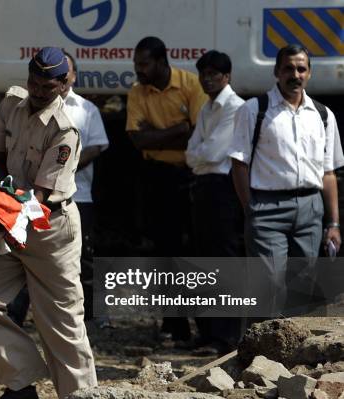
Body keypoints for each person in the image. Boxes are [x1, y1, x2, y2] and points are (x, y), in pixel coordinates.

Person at [0, 47, 97, 399]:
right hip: (10, 224)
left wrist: (0, 210)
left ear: (64, 84)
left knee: (60, 323)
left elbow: (40, 197)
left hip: (50, 231)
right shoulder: (12, 102)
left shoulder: (65, 132)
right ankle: (21, 389)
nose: (38, 92)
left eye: (47, 87)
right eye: (33, 83)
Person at [229, 44, 343, 316]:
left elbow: (328, 173)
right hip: (266, 209)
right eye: (288, 68)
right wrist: (251, 209)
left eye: (301, 68)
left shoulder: (323, 115)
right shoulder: (254, 110)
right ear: (276, 72)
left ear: (309, 73)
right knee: (268, 284)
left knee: (304, 284)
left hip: (310, 210)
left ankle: (294, 355)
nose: (295, 74)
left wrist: (334, 223)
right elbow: (238, 164)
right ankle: (258, 354)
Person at [7, 51, 110, 324]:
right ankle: (19, 314)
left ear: (68, 79)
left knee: (76, 261)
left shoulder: (84, 111)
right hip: (30, 196)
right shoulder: (22, 107)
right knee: (25, 256)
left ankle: (84, 317)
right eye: (36, 81)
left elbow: (97, 146)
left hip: (74, 196)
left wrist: (66, 169)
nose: (42, 87)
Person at [126, 36, 207, 340]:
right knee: (164, 251)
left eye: (144, 64)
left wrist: (157, 135)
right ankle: (175, 324)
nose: (139, 70)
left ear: (162, 61)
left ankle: (207, 327)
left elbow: (198, 133)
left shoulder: (190, 83)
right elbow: (137, 140)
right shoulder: (137, 92)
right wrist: (179, 129)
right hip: (157, 177)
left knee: (195, 250)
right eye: (136, 64)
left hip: (190, 175)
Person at [184, 50, 245, 351]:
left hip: (224, 188)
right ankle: (208, 333)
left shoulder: (236, 108)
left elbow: (208, 154)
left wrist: (198, 156)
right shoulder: (208, 109)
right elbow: (191, 154)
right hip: (204, 187)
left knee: (224, 261)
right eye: (203, 73)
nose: (207, 79)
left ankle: (225, 336)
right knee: (203, 260)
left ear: (227, 76)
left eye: (213, 74)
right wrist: (198, 156)